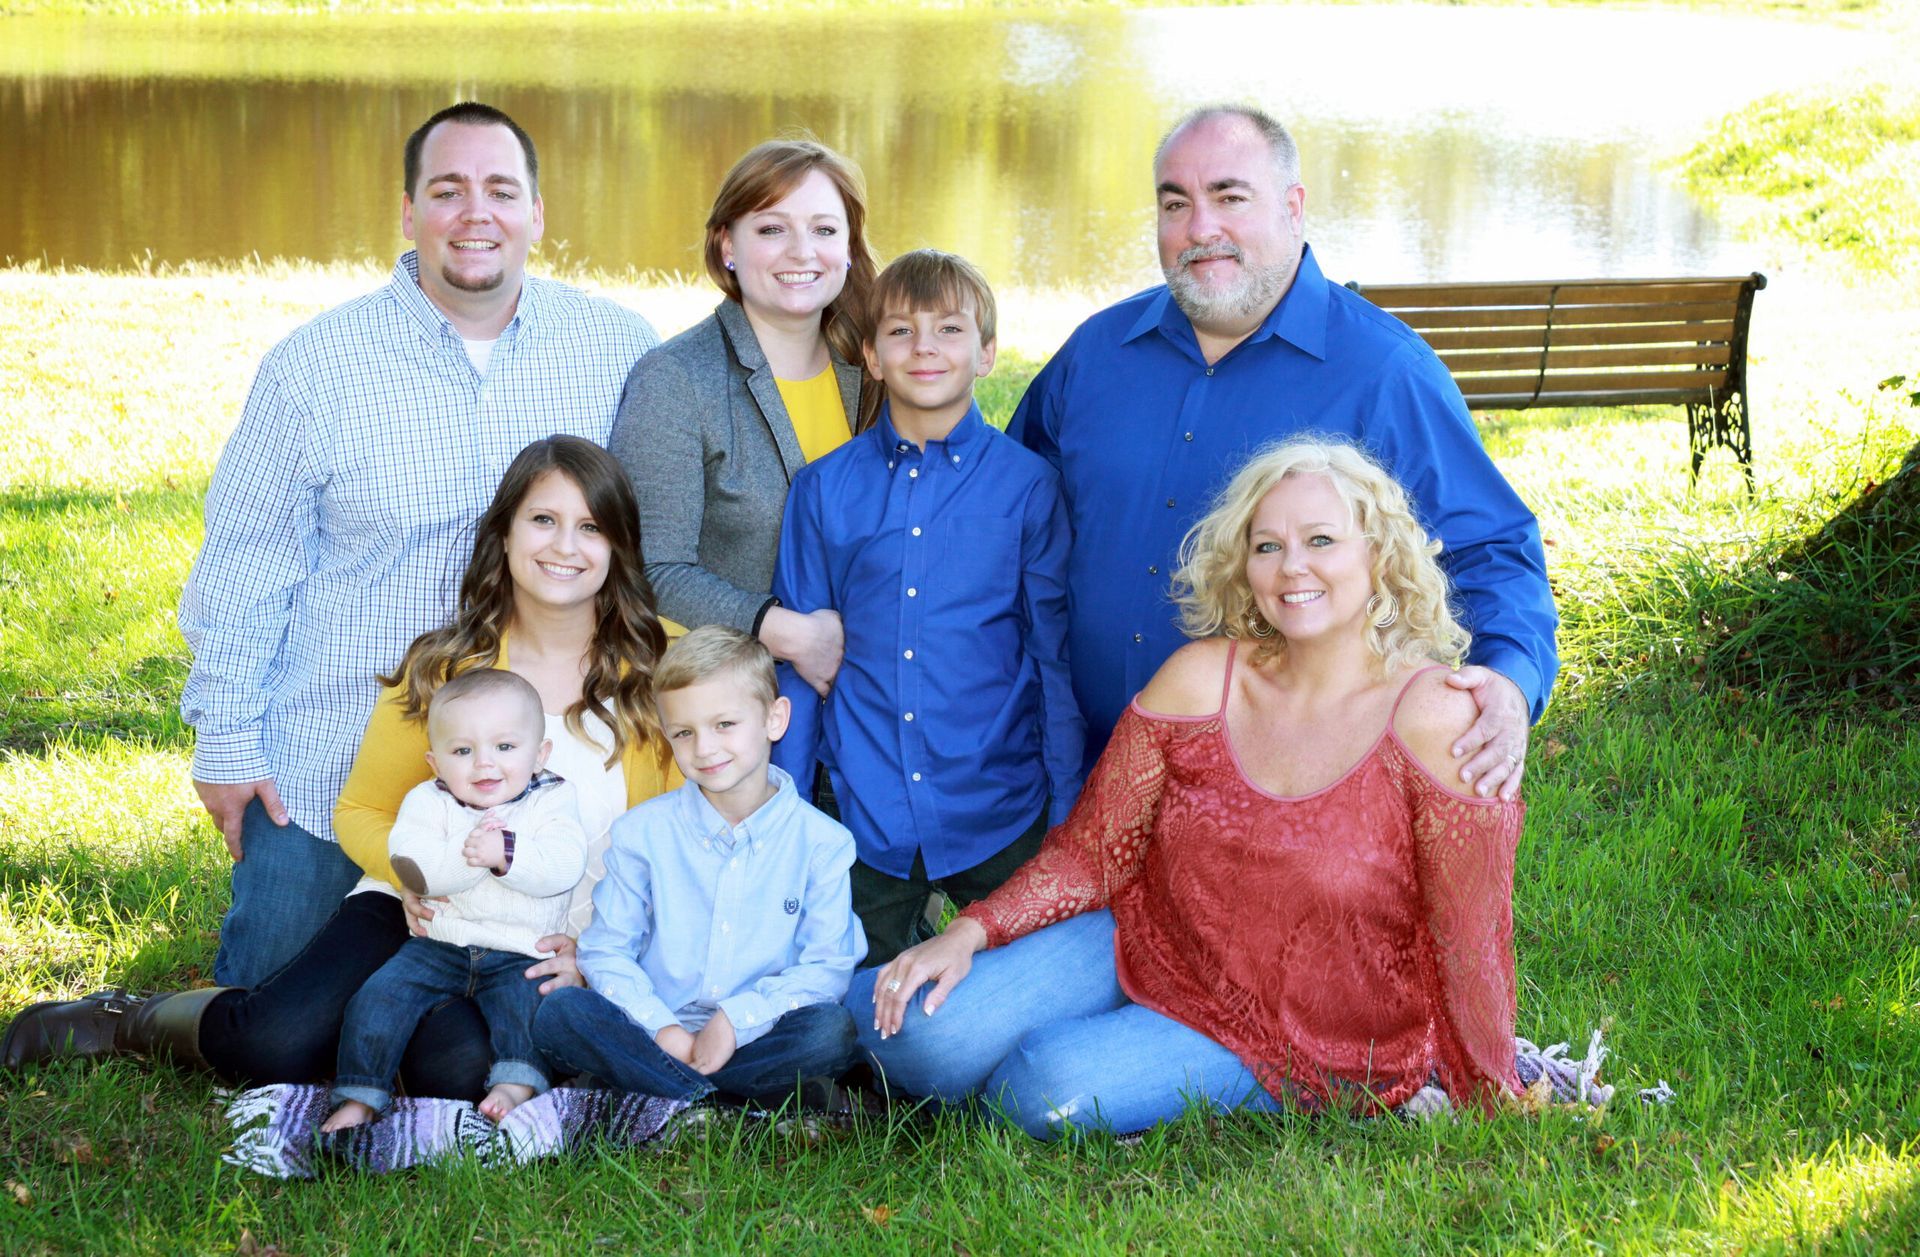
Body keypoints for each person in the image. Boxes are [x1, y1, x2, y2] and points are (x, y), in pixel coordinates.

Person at [851, 438, 1525, 1139]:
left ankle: (1081, 1053)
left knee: (1039, 1086)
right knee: (916, 1033)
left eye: (1321, 539)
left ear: (1378, 555)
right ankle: (790, 1017)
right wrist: (969, 931)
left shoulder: (1436, 717)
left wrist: (1489, 1087)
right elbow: (1093, 854)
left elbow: (1468, 938)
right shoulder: (1204, 677)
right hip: (1148, 942)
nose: (1292, 566)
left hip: (1294, 1038)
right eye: (1267, 546)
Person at [3, 438, 676, 1104]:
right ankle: (129, 1019)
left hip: (548, 936)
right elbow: (361, 810)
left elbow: (684, 842)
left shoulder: (662, 668)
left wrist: (601, 950)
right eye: (543, 520)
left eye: (590, 526)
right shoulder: (444, 666)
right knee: (274, 1043)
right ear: (503, 534)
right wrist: (414, 875)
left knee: (463, 1071)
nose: (565, 546)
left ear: (619, 546)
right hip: (418, 911)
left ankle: (379, 1032)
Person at [178, 101, 659, 988]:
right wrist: (228, 743)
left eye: (501, 191)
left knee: (482, 1025)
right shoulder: (316, 365)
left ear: (538, 214)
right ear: (409, 212)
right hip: (336, 761)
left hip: (536, 773)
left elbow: (643, 537)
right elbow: (246, 561)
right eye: (448, 190)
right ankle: (138, 1015)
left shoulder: (618, 349)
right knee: (270, 1005)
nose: (476, 214)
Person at [1008, 104, 1556, 802]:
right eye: (1176, 203)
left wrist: (1509, 679)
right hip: (1075, 774)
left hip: (1273, 805)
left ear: (1294, 207)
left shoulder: (1383, 372)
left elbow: (1492, 548)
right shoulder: (1095, 354)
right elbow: (1006, 508)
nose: (1200, 228)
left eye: (1229, 197)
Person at [769, 249, 1084, 965]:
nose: (925, 349)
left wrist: (1065, 813)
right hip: (866, 807)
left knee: (1017, 999)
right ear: (873, 357)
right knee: (842, 1015)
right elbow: (799, 667)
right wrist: (783, 811)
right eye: (902, 332)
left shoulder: (1029, 488)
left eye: (949, 329)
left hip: (997, 805)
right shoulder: (823, 490)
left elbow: (1052, 659)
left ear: (987, 353)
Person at [533, 626, 864, 1108]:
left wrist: (735, 1020)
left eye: (725, 725)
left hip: (755, 1034)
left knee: (829, 1033)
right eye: (684, 733)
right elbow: (606, 951)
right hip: (653, 1030)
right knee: (562, 1013)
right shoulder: (641, 833)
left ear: (775, 718)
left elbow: (826, 969)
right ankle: (713, 1103)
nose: (705, 749)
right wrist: (662, 1028)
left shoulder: (824, 844)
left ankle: (666, 1095)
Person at [609, 138, 878, 699]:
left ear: (850, 245)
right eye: (772, 229)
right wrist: (791, 635)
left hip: (876, 705)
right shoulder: (676, 379)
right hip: (734, 713)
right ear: (727, 244)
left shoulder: (876, 370)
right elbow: (650, 569)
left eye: (825, 230)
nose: (802, 251)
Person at [323, 669, 588, 1132]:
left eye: (505, 748)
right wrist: (471, 856)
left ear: (540, 754)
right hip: (439, 944)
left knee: (530, 1007)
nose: (484, 764)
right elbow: (415, 869)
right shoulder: (427, 801)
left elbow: (564, 865)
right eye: (463, 751)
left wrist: (508, 855)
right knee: (378, 997)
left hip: (521, 949)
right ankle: (360, 1095)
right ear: (434, 762)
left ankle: (516, 1084)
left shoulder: (553, 799)